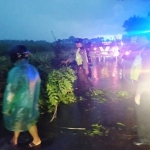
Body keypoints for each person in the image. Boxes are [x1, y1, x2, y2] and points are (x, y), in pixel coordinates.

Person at [2, 45, 41, 147]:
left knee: (25, 121)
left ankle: (36, 140)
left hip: (20, 103)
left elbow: (11, 91)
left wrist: (7, 107)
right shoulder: (32, 69)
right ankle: (15, 139)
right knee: (25, 120)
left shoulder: (16, 71)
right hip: (31, 102)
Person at [133, 31, 150, 145]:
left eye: (140, 37)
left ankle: (145, 138)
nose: (138, 39)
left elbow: (146, 74)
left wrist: (138, 93)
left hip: (146, 89)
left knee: (143, 113)